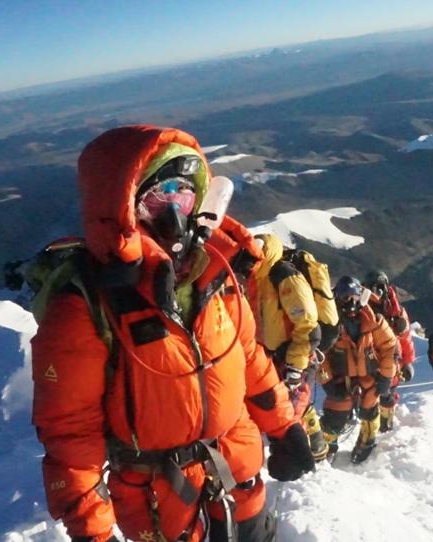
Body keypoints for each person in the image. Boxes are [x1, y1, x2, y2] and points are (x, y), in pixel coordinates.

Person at [31, 125, 314, 542]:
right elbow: (71, 435)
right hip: (158, 497)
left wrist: (285, 428)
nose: (174, 213)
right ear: (121, 207)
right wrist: (92, 530)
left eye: (183, 194)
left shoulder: (215, 273)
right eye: (156, 197)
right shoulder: (86, 304)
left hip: (237, 469)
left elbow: (249, 360)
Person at [251, 233, 329, 463]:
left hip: (294, 354)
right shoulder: (257, 278)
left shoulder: (283, 274)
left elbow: (308, 324)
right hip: (270, 355)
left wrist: (296, 363)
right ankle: (315, 448)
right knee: (284, 408)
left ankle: (303, 459)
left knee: (289, 412)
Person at [318, 276, 398, 464]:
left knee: (369, 409)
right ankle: (325, 446)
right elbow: (321, 356)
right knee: (336, 411)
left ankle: (366, 441)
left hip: (369, 375)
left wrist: (386, 378)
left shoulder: (374, 320)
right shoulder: (329, 324)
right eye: (345, 297)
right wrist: (327, 381)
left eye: (354, 297)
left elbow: (389, 347)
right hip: (341, 378)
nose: (351, 303)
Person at [363, 270, 416, 433]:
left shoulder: (396, 311)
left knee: (387, 394)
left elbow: (405, 338)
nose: (378, 290)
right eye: (375, 287)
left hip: (391, 360)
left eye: (381, 286)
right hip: (367, 359)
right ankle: (370, 430)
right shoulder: (359, 306)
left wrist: (407, 362)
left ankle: (384, 425)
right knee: (367, 396)